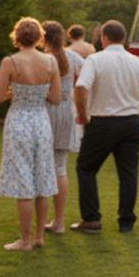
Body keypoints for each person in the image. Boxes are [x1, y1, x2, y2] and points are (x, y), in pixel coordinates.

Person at [71, 20, 139, 233]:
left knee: (86, 168)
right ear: (124, 38)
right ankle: (127, 222)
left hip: (102, 121)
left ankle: (92, 219)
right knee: (128, 173)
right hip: (130, 122)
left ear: (104, 38)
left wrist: (83, 115)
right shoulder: (138, 62)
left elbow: (81, 86)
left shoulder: (94, 60)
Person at [0, 17, 62, 251]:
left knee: (24, 181)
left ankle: (24, 240)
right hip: (41, 123)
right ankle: (39, 237)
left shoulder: (10, 61)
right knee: (42, 178)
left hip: (18, 123)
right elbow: (55, 97)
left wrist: (14, 91)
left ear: (17, 37)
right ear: (39, 37)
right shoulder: (50, 61)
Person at [42, 20, 84, 234]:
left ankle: (43, 218)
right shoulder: (74, 57)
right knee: (60, 167)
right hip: (67, 111)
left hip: (46, 110)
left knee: (42, 165)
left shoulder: (43, 59)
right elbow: (86, 81)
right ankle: (58, 221)